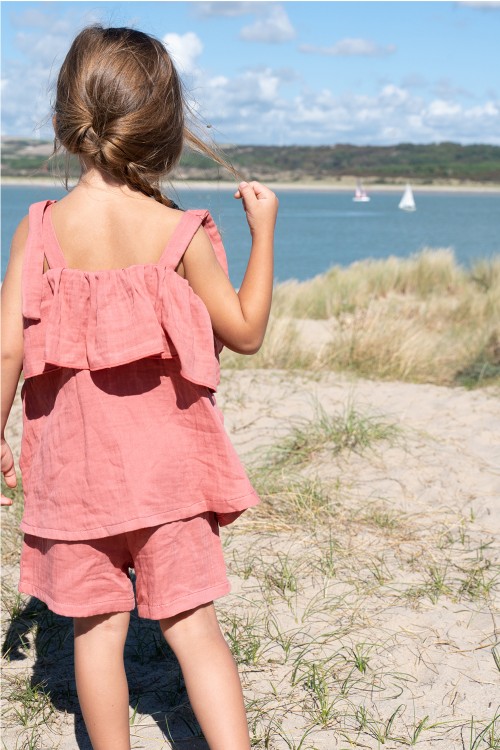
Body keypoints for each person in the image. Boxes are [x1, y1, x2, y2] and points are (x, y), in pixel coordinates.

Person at [1, 25, 278, 750]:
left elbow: (6, 349)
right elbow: (246, 330)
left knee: (96, 636)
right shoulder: (177, 231)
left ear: (67, 123)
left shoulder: (39, 230)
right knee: (195, 630)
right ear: (164, 125)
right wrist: (265, 232)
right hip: (170, 482)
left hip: (75, 481)